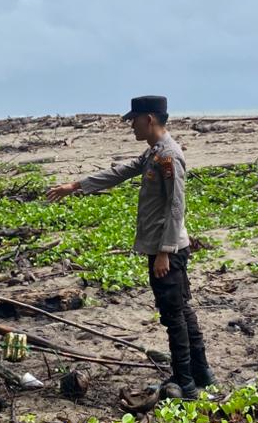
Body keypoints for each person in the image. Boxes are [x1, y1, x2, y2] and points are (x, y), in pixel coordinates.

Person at [46, 95, 213, 398]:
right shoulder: (154, 153)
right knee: (181, 310)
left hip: (168, 251)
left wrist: (164, 252)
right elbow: (121, 171)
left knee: (172, 315)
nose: (130, 126)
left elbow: (177, 207)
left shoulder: (168, 157)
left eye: (133, 120)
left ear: (149, 119)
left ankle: (186, 383)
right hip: (165, 248)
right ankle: (200, 374)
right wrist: (77, 185)